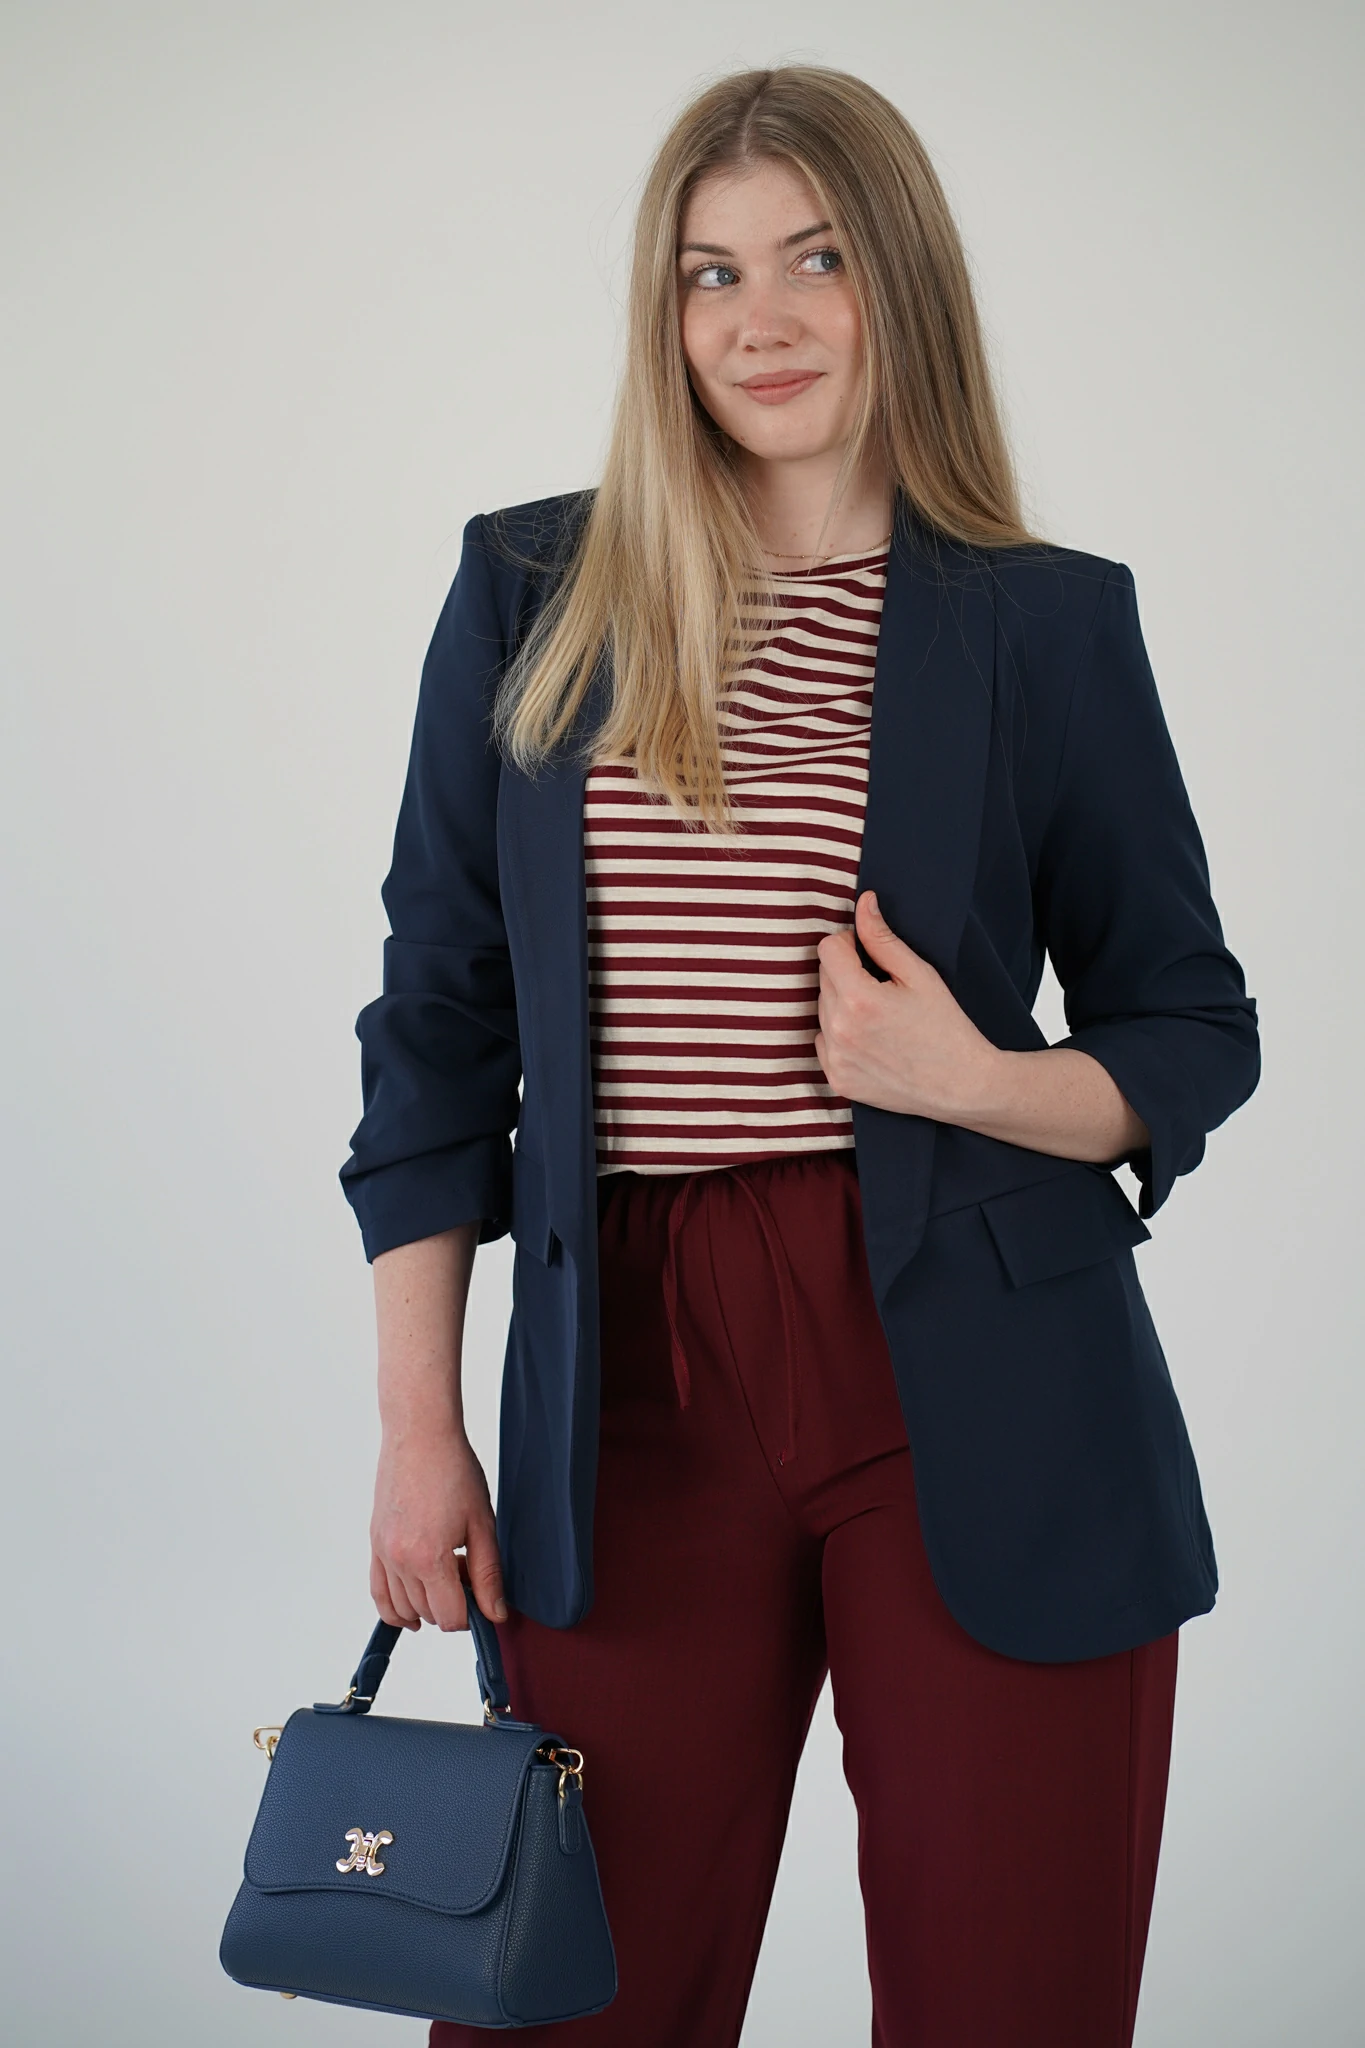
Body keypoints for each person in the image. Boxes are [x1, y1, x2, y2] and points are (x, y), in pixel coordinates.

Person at [339, 64, 1259, 2048]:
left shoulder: (1042, 624)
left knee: (1008, 2003)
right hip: (628, 1382)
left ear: (898, 279)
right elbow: (435, 1031)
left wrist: (973, 1078)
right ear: (661, 312)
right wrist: (421, 1427)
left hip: (985, 1354)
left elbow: (1190, 1023)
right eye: (710, 273)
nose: (759, 318)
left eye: (814, 259)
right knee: (567, 2001)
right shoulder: (532, 590)